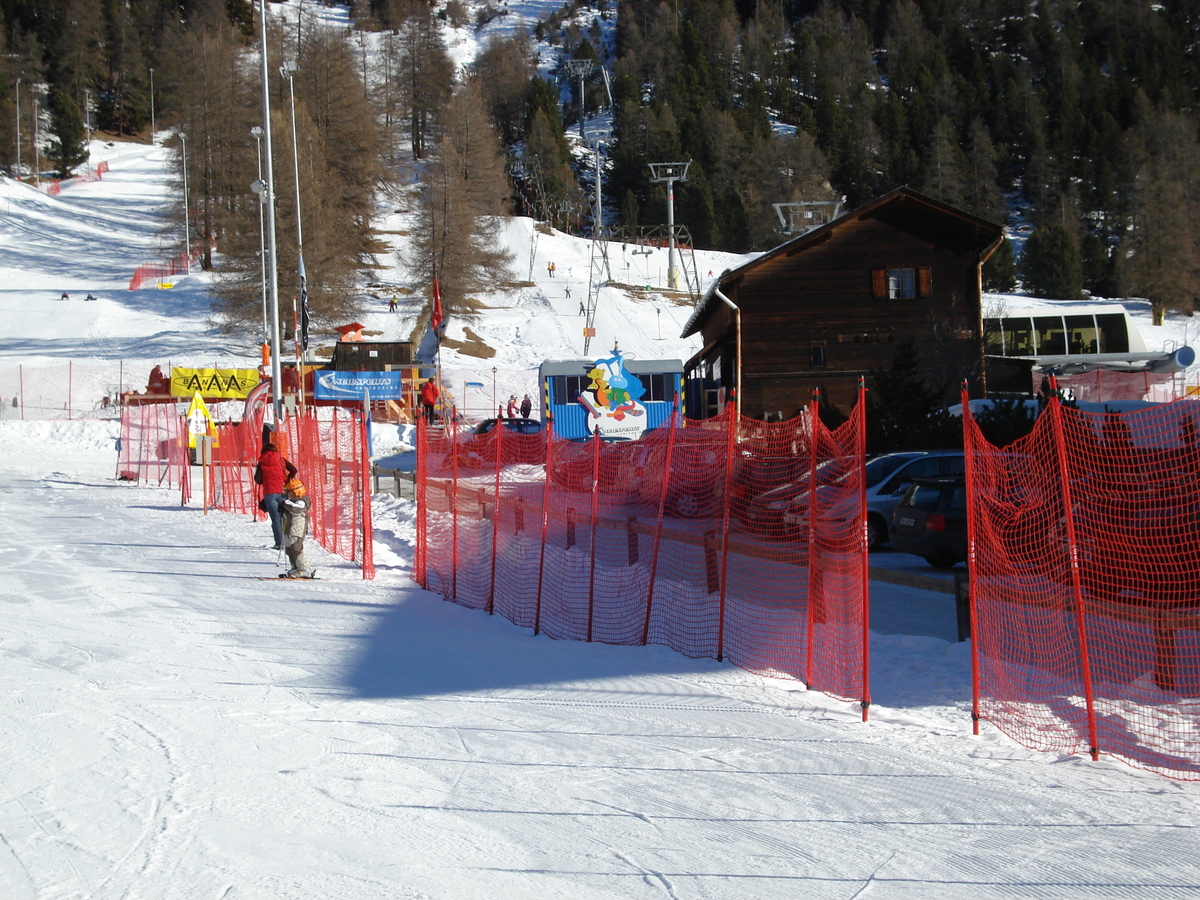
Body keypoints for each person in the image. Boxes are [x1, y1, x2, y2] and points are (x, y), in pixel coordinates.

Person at [255, 439, 297, 550]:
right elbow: (293, 469)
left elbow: (258, 480)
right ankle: (289, 541)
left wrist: (266, 478)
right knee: (285, 517)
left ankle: (279, 543)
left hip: (269, 493)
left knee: (275, 519)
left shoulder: (261, 462)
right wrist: (287, 478)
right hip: (282, 491)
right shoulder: (281, 459)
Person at [280, 477, 314, 578]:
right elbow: (288, 514)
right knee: (289, 548)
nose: (287, 494)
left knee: (296, 547)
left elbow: (296, 509)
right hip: (289, 529)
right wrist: (282, 510)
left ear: (296, 492)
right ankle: (295, 567)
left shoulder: (301, 502)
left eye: (288, 492)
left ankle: (304, 569)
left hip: (297, 530)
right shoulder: (293, 502)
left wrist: (285, 503)